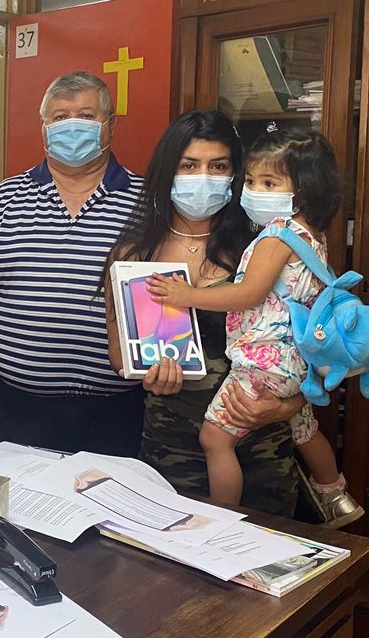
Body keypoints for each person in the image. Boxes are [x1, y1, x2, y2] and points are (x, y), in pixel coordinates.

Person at [148, 128, 364, 527]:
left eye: (269, 182)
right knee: (304, 429)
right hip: (295, 362)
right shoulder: (313, 237)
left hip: (264, 359)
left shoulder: (276, 236)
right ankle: (335, 494)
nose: (253, 191)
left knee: (215, 439)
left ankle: (222, 518)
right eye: (249, 181)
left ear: (302, 189)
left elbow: (247, 293)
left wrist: (186, 295)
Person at [104, 109, 302, 517]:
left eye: (218, 166)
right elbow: (119, 348)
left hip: (261, 446)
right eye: (189, 165)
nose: (203, 177)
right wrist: (146, 374)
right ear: (167, 171)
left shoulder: (264, 248)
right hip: (170, 449)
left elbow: (316, 347)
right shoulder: (134, 254)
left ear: (235, 175)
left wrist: (284, 407)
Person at [0, 71, 145, 456]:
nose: (72, 125)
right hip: (22, 401)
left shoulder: (146, 201)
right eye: (59, 117)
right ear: (44, 128)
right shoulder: (5, 197)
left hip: (116, 405)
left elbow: (163, 286)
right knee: (22, 508)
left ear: (110, 125)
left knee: (104, 507)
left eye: (86, 115)